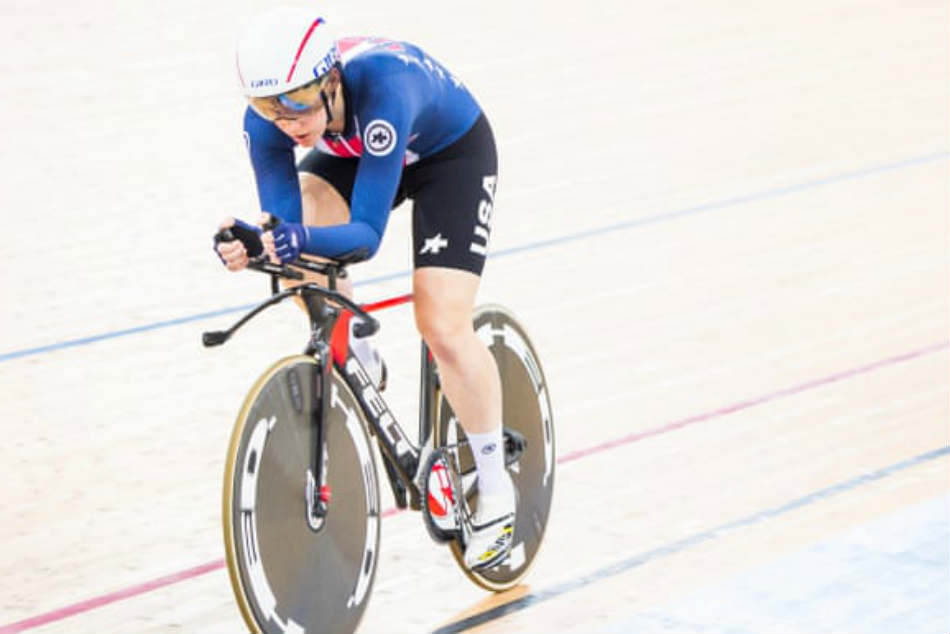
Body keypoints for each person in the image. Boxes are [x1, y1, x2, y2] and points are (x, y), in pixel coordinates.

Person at [213, 7, 514, 571]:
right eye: (267, 106)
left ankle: (497, 487)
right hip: (361, 152)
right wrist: (257, 243)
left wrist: (293, 237)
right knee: (297, 233)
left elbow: (366, 237)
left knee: (442, 326)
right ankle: (359, 349)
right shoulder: (274, 123)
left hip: (451, 157)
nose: (286, 121)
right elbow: (287, 229)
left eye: (297, 99)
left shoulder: (384, 90)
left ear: (330, 81)